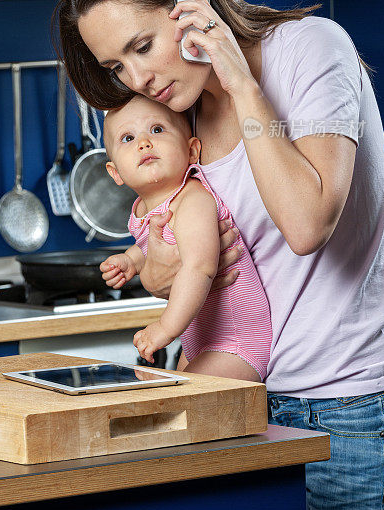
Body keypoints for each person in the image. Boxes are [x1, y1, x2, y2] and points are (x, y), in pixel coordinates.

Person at [54, 0, 384, 510]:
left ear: (190, 2)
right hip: (236, 402)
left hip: (345, 406)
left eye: (142, 46)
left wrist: (240, 84)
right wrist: (168, 266)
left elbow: (306, 223)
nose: (137, 78)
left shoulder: (311, 51)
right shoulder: (176, 112)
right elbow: (166, 263)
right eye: (117, 65)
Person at [100, 94, 272, 380]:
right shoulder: (143, 208)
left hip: (236, 342)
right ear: (116, 172)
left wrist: (165, 328)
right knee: (178, 407)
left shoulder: (193, 199)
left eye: (157, 130)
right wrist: (131, 261)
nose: (144, 142)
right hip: (200, 341)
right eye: (128, 138)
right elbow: (151, 246)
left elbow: (199, 267)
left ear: (192, 151)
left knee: (182, 402)